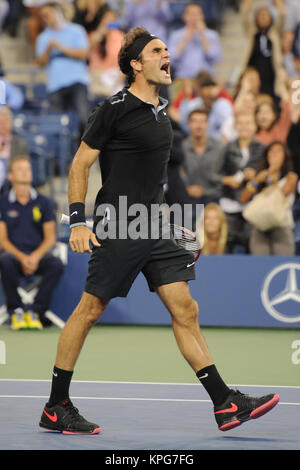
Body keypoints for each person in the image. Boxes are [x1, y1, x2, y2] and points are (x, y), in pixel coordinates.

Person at [38, 26, 279, 435]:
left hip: (155, 225)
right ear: (136, 64)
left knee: (186, 308)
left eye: (167, 49)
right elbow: (80, 165)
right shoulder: (112, 108)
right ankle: (56, 405)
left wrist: (174, 221)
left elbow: (156, 179)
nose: (166, 55)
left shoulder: (163, 111)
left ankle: (224, 403)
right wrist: (78, 220)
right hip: (119, 225)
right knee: (89, 310)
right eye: (156, 50)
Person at [0, 156, 64, 330]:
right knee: (5, 261)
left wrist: (34, 257)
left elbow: (50, 238)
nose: (25, 172)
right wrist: (22, 258)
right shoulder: (3, 203)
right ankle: (17, 311)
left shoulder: (44, 202)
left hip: (39, 256)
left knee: (56, 264)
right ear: (11, 176)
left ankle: (36, 311)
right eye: (20, 169)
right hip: (13, 257)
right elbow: (2, 240)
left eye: (28, 169)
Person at [211, 111, 265, 252]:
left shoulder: (263, 148)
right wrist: (226, 179)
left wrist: (256, 176)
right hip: (230, 203)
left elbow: (268, 176)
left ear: (255, 126)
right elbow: (213, 175)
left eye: (248, 123)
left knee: (252, 243)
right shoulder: (226, 147)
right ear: (236, 126)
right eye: (240, 123)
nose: (244, 126)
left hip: (253, 204)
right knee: (226, 242)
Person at [35, 1, 90, 131]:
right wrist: (48, 49)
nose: (45, 19)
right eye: (42, 16)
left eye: (47, 15)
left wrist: (60, 47)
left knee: (84, 119)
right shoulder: (43, 38)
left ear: (57, 12)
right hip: (55, 85)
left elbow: (84, 53)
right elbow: (40, 63)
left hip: (77, 82)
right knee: (57, 125)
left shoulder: (76, 30)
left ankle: (84, 151)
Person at [240, 141, 298, 255]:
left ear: (285, 156)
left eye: (278, 151)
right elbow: (243, 199)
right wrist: (256, 180)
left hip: (281, 228)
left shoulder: (291, 177)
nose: (274, 154)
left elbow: (281, 195)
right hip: (260, 228)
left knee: (281, 263)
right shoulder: (261, 176)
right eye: (271, 151)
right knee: (259, 266)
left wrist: (273, 177)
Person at [240, 0, 286, 100]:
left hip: (271, 72)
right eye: (261, 15)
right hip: (254, 71)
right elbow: (244, 17)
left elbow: (282, 17)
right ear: (256, 18)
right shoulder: (252, 32)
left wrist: (278, 3)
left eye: (266, 15)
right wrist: (248, 3)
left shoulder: (274, 33)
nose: (263, 17)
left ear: (271, 18)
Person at [168, 3, 222, 81]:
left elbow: (215, 58)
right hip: (184, 79)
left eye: (198, 14)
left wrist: (203, 36)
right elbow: (171, 59)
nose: (194, 17)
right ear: (184, 17)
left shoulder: (212, 35)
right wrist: (184, 39)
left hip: (207, 79)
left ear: (202, 16)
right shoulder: (176, 35)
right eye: (191, 14)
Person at [181, 108, 223, 205]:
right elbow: (175, 175)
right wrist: (187, 189)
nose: (199, 126)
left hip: (217, 197)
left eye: (202, 121)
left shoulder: (220, 147)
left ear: (207, 125)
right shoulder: (182, 148)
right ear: (189, 125)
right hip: (190, 198)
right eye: (195, 121)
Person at [88, 8, 125, 98]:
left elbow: (126, 58)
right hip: (96, 78)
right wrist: (101, 32)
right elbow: (87, 51)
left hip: (114, 78)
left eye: (113, 19)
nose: (109, 21)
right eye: (107, 18)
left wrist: (121, 78)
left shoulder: (120, 36)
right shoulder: (94, 35)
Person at [0, 106, 29, 192]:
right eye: (0, 122)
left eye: (5, 122)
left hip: (12, 182)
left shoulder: (20, 143)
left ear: (11, 124)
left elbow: (24, 164)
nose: (3, 125)